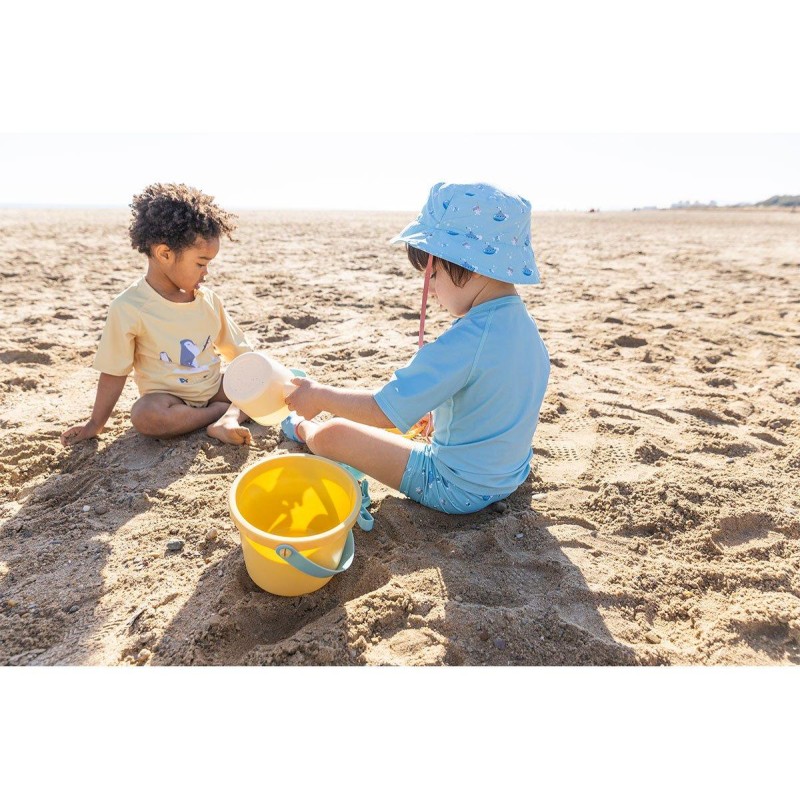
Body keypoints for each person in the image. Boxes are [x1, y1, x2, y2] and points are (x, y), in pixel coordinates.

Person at [282, 181, 550, 513]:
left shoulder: (466, 340)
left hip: (456, 487)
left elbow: (381, 410)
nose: (432, 291)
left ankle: (301, 428)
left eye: (432, 277)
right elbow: (494, 398)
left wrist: (319, 395)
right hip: (510, 475)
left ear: (469, 266)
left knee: (333, 434)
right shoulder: (524, 327)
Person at [61, 183, 254, 448]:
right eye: (200, 263)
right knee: (145, 416)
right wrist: (96, 424)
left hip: (213, 390)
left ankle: (226, 419)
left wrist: (263, 380)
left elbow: (241, 354)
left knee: (259, 380)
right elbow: (114, 372)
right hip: (168, 402)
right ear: (164, 253)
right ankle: (222, 416)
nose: (206, 273)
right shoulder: (129, 307)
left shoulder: (208, 301)